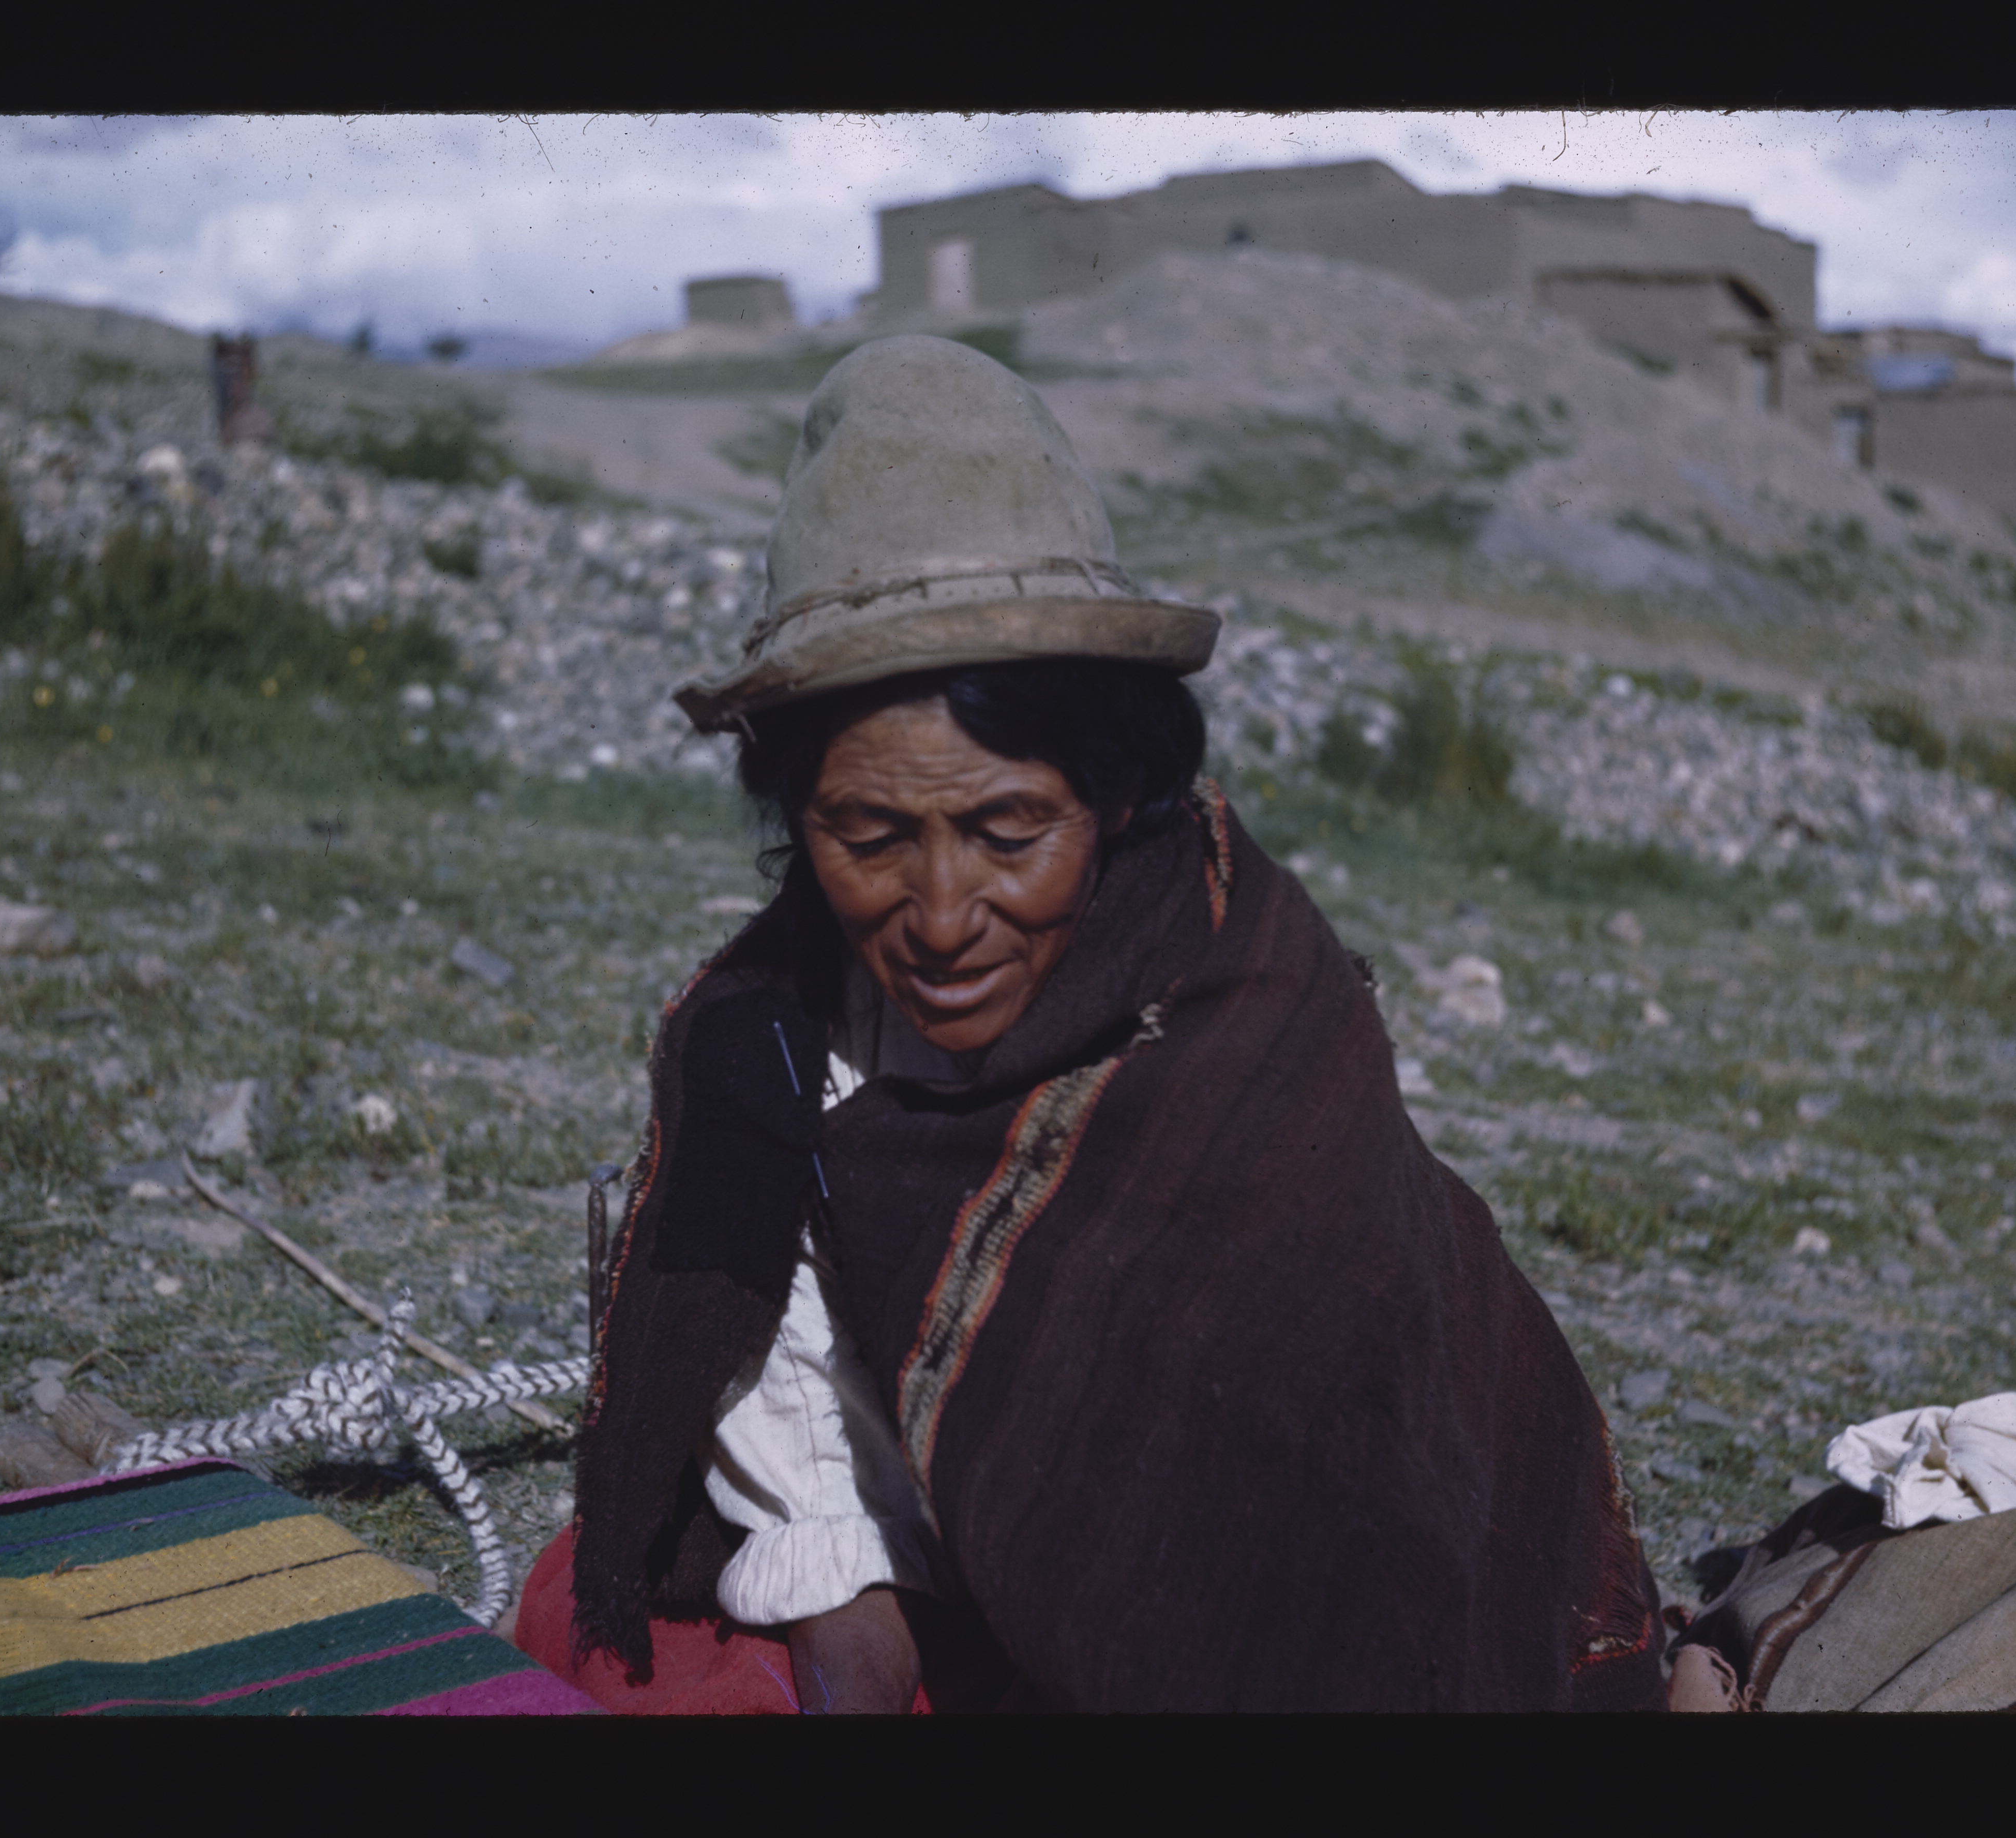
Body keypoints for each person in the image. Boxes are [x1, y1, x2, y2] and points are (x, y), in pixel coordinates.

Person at [509, 336, 1668, 1712]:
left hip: (1290, 1612)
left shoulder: (1250, 1005)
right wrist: (848, 1638)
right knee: (596, 1628)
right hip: (946, 1565)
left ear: (1117, 793)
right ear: (796, 814)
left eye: (1010, 832)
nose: (944, 916)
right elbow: (807, 1429)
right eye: (868, 836)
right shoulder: (764, 1040)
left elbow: (1356, 1485)